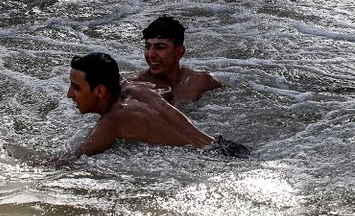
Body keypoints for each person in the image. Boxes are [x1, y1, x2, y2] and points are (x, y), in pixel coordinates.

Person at [66, 52, 248, 157]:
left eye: (75, 87)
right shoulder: (138, 88)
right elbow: (167, 91)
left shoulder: (113, 121)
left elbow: (70, 160)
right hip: (225, 146)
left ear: (100, 91)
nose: (69, 94)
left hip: (211, 160)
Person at [127, 16, 222, 103]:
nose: (151, 54)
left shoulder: (202, 82)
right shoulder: (134, 86)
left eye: (160, 47)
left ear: (179, 52)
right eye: (147, 47)